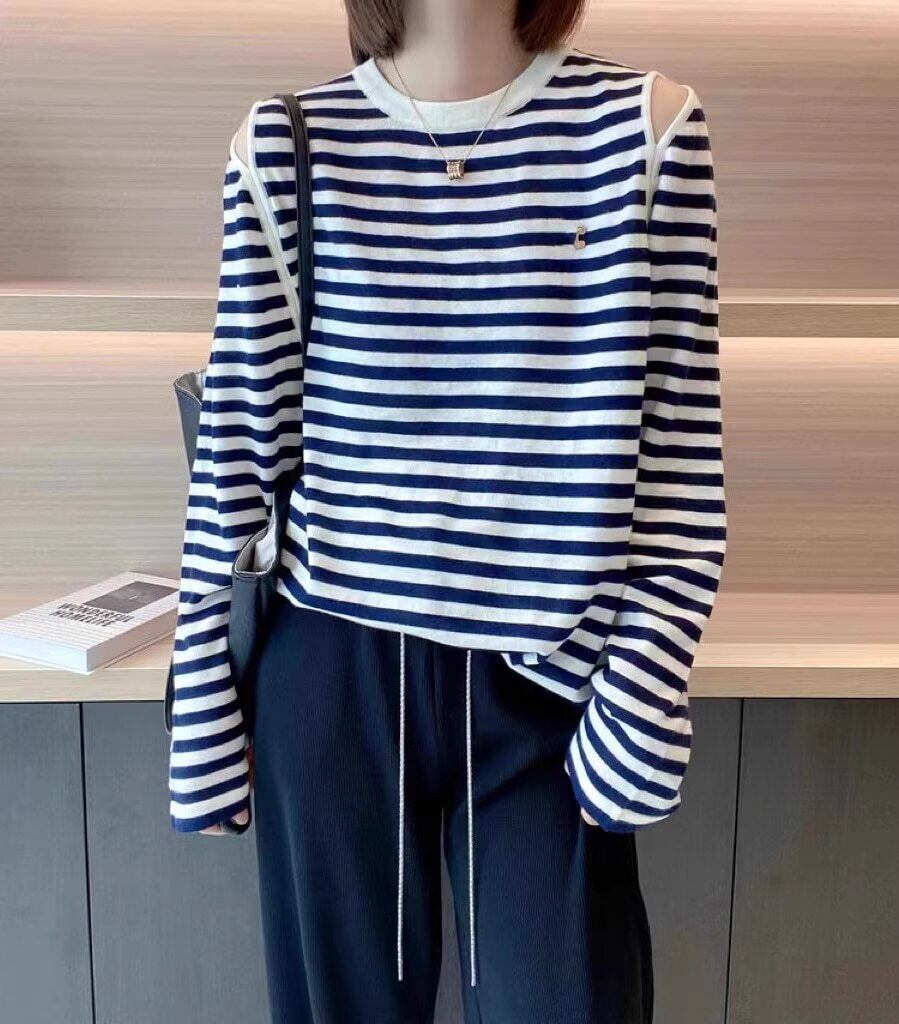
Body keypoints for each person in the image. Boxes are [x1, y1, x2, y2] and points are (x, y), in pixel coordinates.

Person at [166, 0, 726, 1020]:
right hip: (333, 664)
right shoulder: (288, 144)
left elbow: (677, 465)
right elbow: (241, 448)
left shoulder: (644, 130)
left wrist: (639, 692)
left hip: (550, 681)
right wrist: (204, 713)